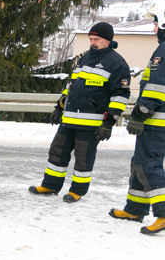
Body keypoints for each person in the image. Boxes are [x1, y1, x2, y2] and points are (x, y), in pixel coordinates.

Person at [29, 22, 131, 203]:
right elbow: (71, 87)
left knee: (83, 158)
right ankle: (50, 185)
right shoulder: (84, 59)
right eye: (91, 39)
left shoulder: (117, 64)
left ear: (108, 40)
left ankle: (77, 191)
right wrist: (59, 107)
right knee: (57, 151)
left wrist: (108, 122)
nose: (92, 42)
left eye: (97, 39)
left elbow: (120, 95)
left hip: (91, 123)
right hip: (69, 119)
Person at [109, 2, 165, 235]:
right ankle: (135, 207)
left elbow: (156, 87)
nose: (153, 28)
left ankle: (162, 213)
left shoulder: (163, 51)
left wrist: (141, 113)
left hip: (156, 120)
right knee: (140, 161)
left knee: (147, 163)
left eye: (155, 23)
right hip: (157, 119)